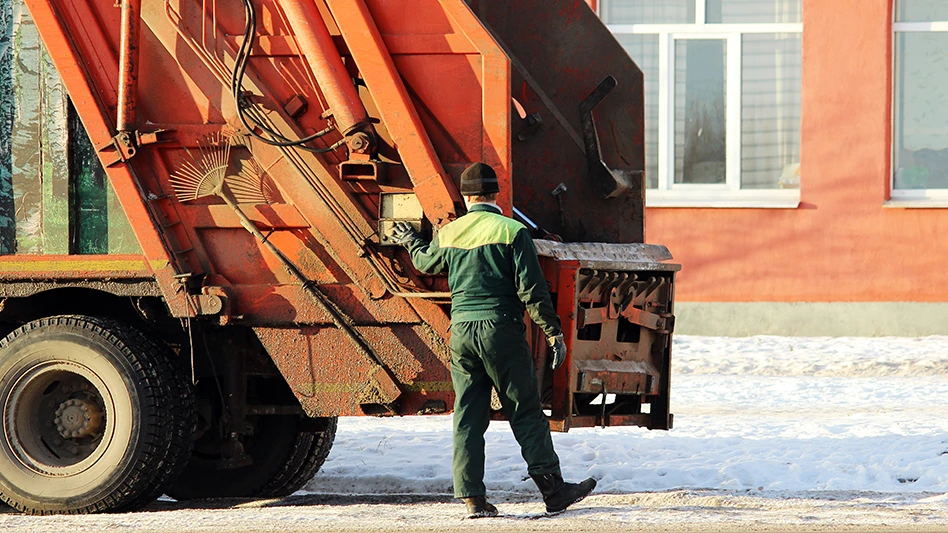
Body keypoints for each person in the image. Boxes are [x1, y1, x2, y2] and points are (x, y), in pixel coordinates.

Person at [388, 162, 596, 518]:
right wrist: (553, 332)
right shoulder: (512, 231)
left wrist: (410, 239)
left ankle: (473, 498)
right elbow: (532, 290)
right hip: (501, 331)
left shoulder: (451, 232)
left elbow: (425, 262)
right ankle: (553, 490)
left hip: (462, 333)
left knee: (468, 415)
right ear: (495, 194)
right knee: (524, 409)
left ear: (466, 196)